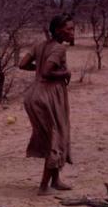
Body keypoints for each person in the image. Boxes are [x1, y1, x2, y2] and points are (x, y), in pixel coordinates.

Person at [19, 13, 74, 196]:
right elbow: (47, 72)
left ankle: (56, 180)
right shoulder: (59, 49)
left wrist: (40, 67)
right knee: (55, 138)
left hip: (33, 96)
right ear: (58, 31)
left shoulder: (40, 45)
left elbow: (22, 64)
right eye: (69, 29)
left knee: (55, 133)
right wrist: (64, 73)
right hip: (47, 97)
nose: (72, 32)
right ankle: (44, 186)